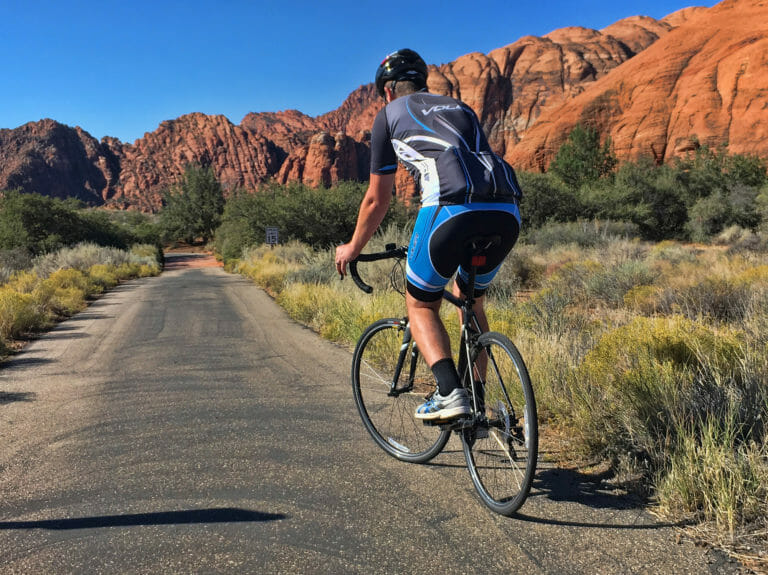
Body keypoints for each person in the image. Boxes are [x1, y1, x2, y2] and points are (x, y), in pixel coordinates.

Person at [335, 49, 522, 421]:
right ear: (423, 83)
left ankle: (451, 394)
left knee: (421, 304)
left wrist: (353, 247)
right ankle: (478, 403)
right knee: (470, 301)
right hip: (506, 211)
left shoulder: (388, 115)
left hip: (448, 208)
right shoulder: (461, 109)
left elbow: (377, 198)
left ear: (388, 91)